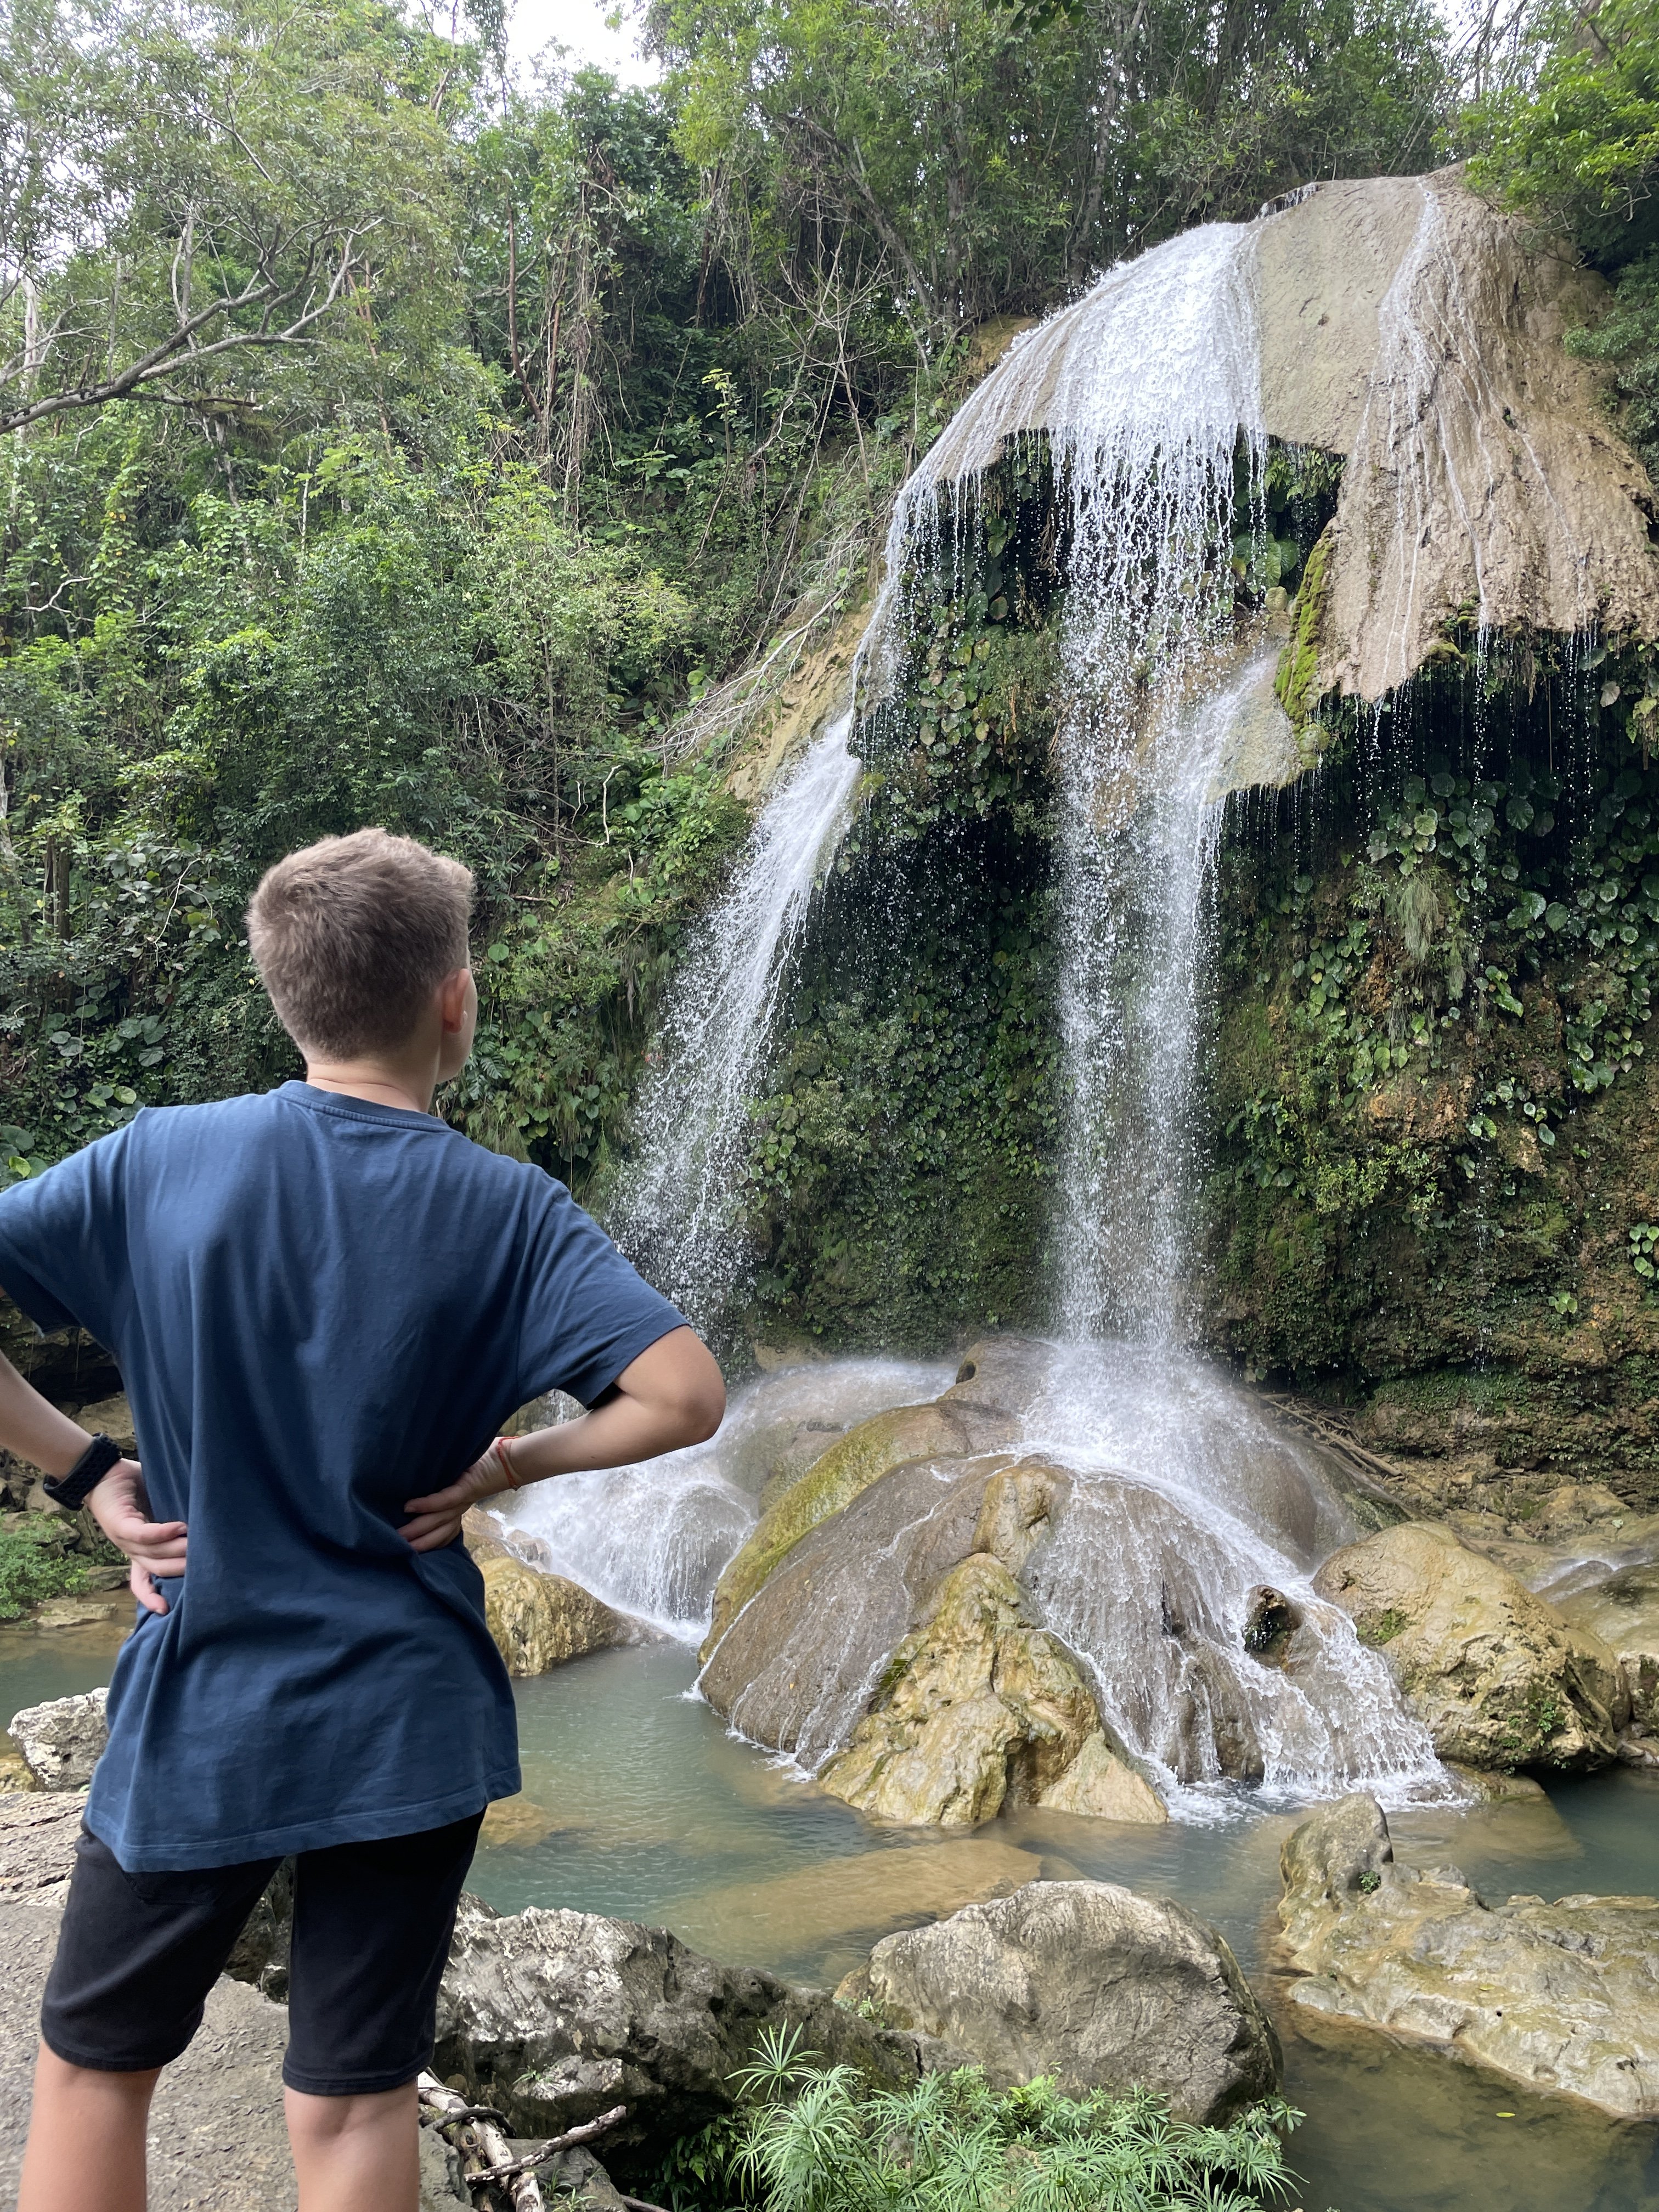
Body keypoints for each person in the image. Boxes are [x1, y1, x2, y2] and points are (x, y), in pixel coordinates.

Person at [0, 827, 725, 2212]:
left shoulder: (163, 1160)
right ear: (455, 1000)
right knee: (352, 2098)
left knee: (96, 2065)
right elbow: (685, 1396)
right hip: (406, 1709)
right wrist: (507, 1470)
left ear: (287, 997)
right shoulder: (509, 1212)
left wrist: (86, 1471)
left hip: (207, 1690)